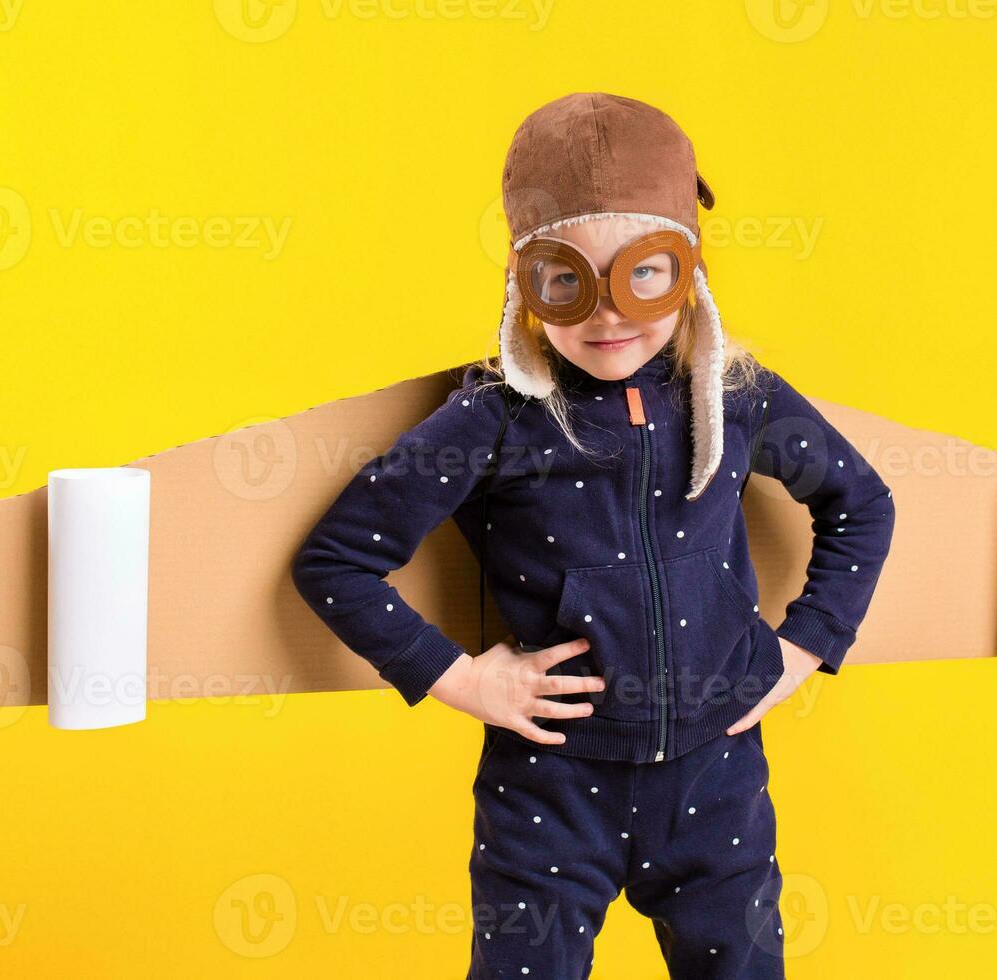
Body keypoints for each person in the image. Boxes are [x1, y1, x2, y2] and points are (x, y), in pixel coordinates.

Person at [291, 92, 896, 979]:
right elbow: (338, 560)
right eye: (567, 281)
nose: (607, 314)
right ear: (523, 281)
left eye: (643, 272)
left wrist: (806, 647)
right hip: (550, 790)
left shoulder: (740, 395)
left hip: (714, 780)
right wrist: (461, 681)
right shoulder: (495, 415)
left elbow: (862, 504)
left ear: (688, 266)